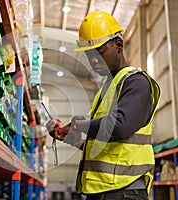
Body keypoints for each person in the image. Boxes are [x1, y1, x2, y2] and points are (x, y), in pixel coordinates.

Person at [46, 11, 160, 200]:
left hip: (124, 192)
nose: (94, 61)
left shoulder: (136, 82)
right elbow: (103, 149)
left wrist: (77, 124)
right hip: (104, 192)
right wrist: (72, 138)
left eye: (100, 52)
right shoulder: (106, 89)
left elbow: (120, 126)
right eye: (89, 56)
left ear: (118, 45)